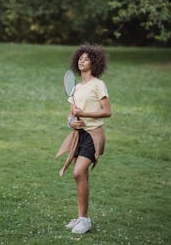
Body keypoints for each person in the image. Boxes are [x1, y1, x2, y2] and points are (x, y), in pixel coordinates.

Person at [56, 43, 111, 234]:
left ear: (94, 63)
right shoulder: (76, 87)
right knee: (82, 176)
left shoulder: (98, 84)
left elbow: (107, 111)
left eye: (86, 59)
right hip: (78, 135)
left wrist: (85, 114)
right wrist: (71, 122)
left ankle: (84, 220)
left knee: (78, 172)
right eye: (80, 58)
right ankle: (82, 218)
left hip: (94, 136)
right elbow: (71, 114)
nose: (82, 61)